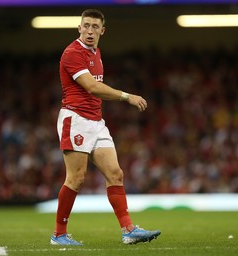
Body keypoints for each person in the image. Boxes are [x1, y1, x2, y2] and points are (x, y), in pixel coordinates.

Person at [50, 9, 161, 246]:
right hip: (76, 119)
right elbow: (92, 87)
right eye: (86, 26)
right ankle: (59, 234)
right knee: (77, 178)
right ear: (79, 28)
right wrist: (126, 96)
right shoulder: (72, 53)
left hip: (96, 121)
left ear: (103, 30)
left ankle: (128, 230)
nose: (90, 31)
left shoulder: (96, 52)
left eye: (95, 27)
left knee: (115, 173)